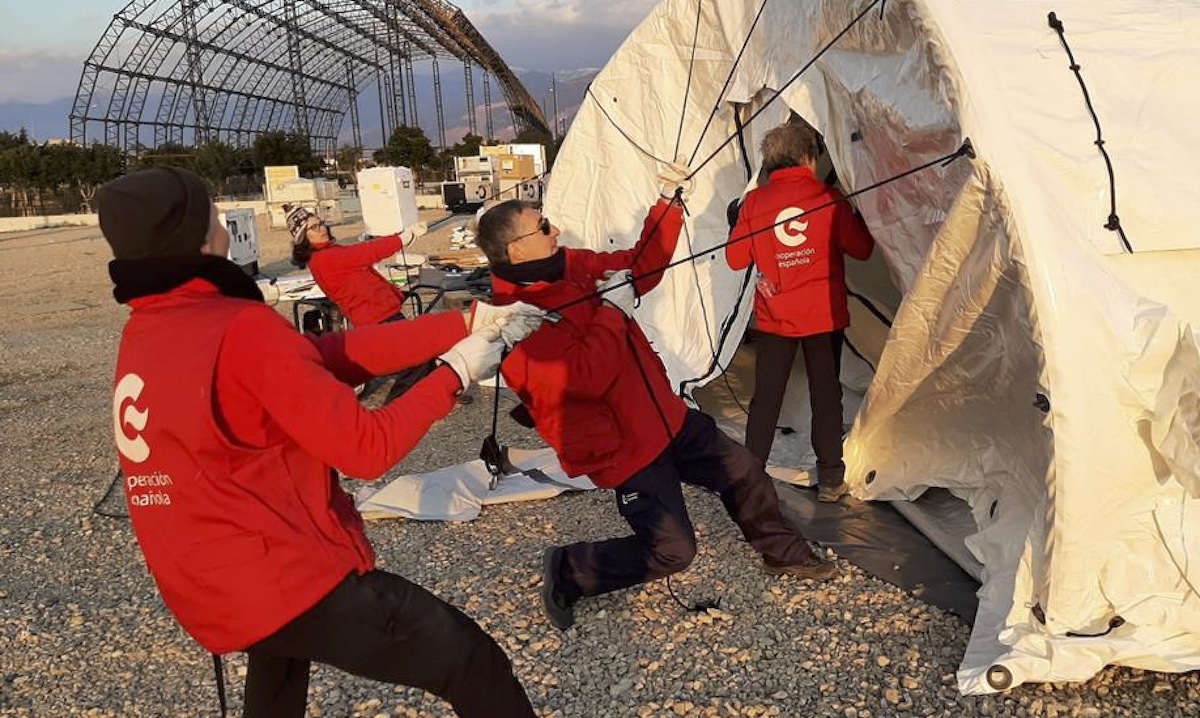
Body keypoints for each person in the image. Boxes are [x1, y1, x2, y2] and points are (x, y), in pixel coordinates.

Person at [100, 167, 542, 717]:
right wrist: (453, 373)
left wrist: (467, 322)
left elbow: (329, 355)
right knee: (469, 659)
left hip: (208, 580)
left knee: (278, 666)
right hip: (282, 573)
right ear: (194, 238)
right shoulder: (239, 328)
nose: (224, 229)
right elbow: (365, 447)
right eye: (213, 217)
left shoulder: (150, 329)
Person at [474, 168, 838, 632]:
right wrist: (611, 310)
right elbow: (582, 378)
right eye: (543, 226)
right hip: (622, 449)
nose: (556, 229)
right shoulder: (511, 320)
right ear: (515, 249)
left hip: (663, 416)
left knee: (744, 470)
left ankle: (784, 553)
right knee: (672, 552)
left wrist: (667, 203)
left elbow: (638, 268)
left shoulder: (567, 265)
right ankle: (570, 568)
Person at [726, 122, 876, 502]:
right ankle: (830, 479)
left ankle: (750, 478)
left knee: (766, 398)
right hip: (823, 316)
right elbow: (862, 250)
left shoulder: (755, 203)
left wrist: (738, 224)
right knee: (826, 395)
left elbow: (735, 259)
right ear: (809, 157)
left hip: (775, 318)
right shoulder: (828, 198)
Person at [287, 205, 434, 401]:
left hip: (381, 313)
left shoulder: (328, 252)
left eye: (321, 223)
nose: (322, 228)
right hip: (377, 317)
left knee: (423, 350)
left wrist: (401, 236)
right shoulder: (325, 258)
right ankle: (395, 406)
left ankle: (439, 390)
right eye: (314, 227)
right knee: (416, 357)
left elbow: (361, 255)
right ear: (303, 238)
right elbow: (366, 253)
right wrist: (403, 239)